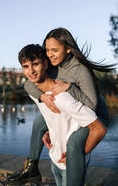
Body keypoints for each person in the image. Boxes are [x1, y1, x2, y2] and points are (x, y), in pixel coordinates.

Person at [8, 28, 114, 186]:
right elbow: (29, 83)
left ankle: (73, 165)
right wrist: (41, 96)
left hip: (95, 116)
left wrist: (69, 87)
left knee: (73, 144)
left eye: (54, 50)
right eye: (48, 50)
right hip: (77, 111)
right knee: (38, 124)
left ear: (68, 49)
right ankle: (31, 168)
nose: (50, 54)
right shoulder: (52, 65)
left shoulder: (80, 70)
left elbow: (91, 106)